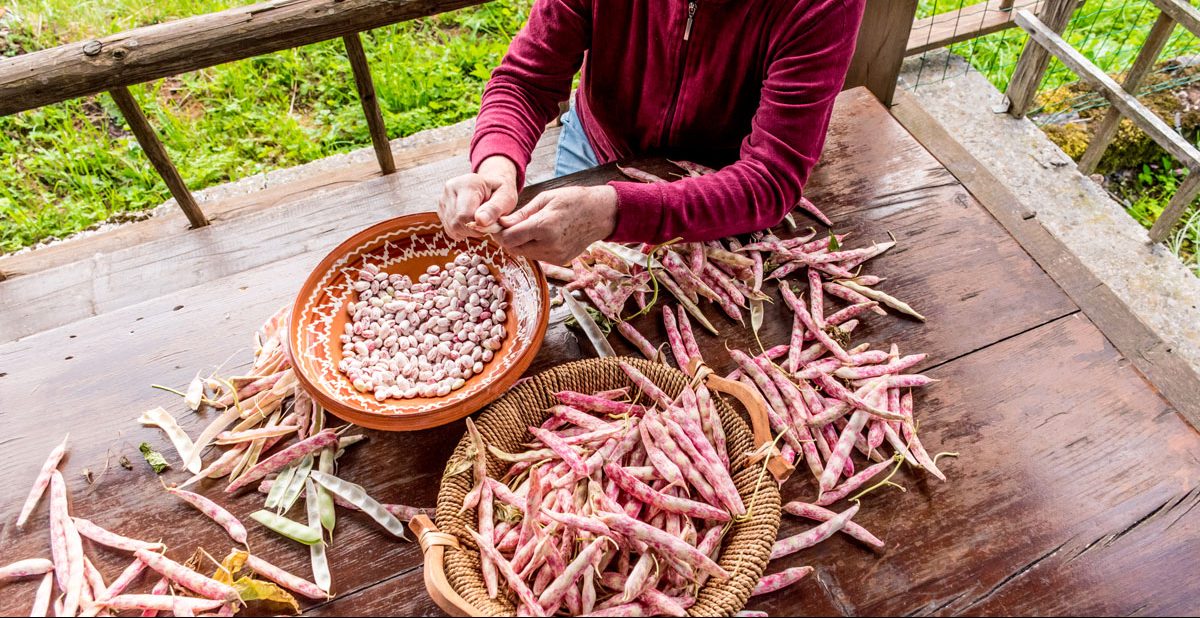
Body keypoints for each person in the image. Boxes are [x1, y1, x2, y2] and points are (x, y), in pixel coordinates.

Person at [437, 0, 866, 265]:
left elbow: (770, 177)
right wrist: (496, 163)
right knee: (577, 294)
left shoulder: (824, 5)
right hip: (598, 150)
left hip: (720, 183)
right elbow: (525, 81)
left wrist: (614, 212)